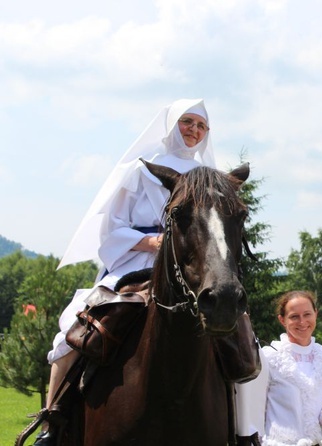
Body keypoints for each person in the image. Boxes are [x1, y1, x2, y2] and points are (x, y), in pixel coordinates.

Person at [34, 98, 217, 446]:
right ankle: (51, 425)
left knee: (243, 341)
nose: (194, 130)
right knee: (70, 334)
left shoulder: (208, 178)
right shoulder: (138, 169)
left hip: (191, 270)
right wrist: (151, 242)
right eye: (187, 121)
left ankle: (245, 432)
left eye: (201, 126)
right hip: (137, 265)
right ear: (170, 123)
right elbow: (112, 229)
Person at [235, 290, 322, 446]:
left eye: (307, 314)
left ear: (316, 314)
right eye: (294, 316)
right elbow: (254, 413)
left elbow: (319, 417)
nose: (302, 322)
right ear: (282, 320)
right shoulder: (269, 358)